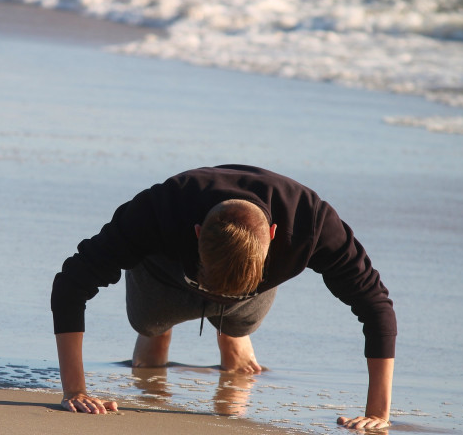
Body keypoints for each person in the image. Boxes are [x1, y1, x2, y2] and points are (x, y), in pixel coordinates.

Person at [51, 165, 397, 430]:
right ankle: (160, 330)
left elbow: (375, 305)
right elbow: (70, 285)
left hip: (250, 292)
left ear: (274, 237)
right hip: (166, 276)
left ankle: (233, 330)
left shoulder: (311, 221)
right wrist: (75, 390)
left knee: (239, 321)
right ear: (197, 233)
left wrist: (378, 413)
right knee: (150, 328)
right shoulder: (158, 208)